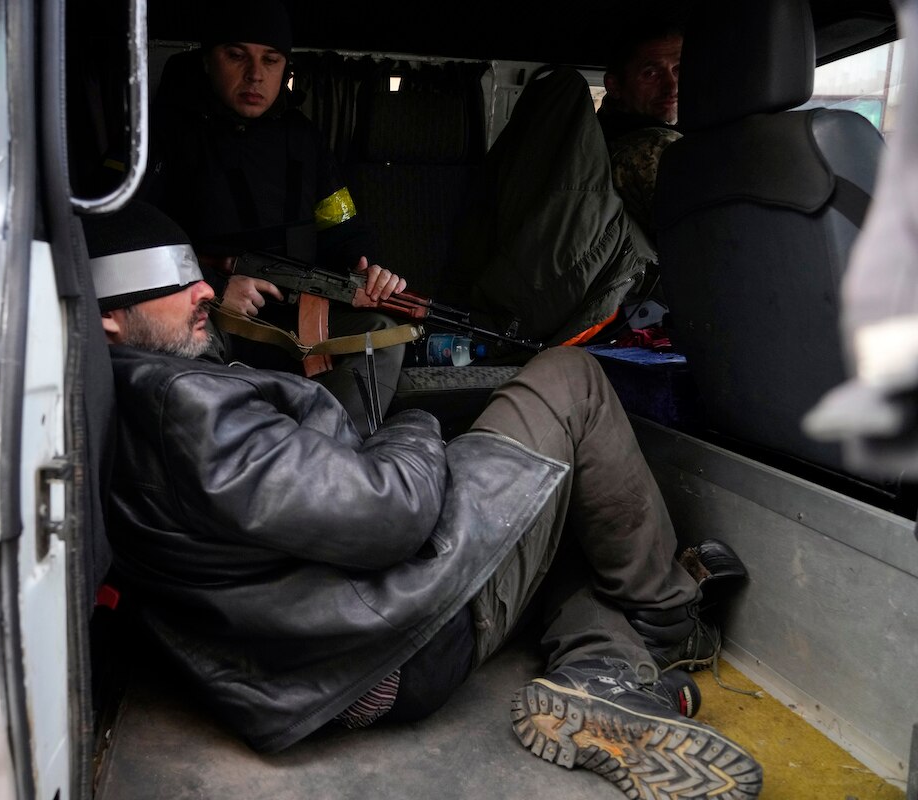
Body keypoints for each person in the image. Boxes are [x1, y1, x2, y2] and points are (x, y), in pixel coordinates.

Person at [87, 201, 763, 800]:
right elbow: (391, 514)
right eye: (171, 281)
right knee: (571, 375)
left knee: (548, 503)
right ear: (109, 318)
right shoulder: (181, 404)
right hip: (391, 643)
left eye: (195, 273)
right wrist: (414, 425)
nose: (204, 289)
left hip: (322, 656)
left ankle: (603, 672)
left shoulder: (117, 398)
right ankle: (670, 619)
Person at [138, 0, 407, 435]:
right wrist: (215, 285)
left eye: (271, 59)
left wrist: (368, 269)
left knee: (382, 332)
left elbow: (341, 225)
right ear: (207, 60)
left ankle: (333, 452)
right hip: (204, 310)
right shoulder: (162, 135)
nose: (255, 75)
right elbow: (132, 244)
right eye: (236, 55)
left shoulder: (303, 138)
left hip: (297, 311)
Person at [596, 16, 684, 237]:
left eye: (678, 70)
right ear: (614, 87)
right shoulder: (657, 147)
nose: (671, 87)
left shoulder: (602, 131)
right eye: (650, 74)